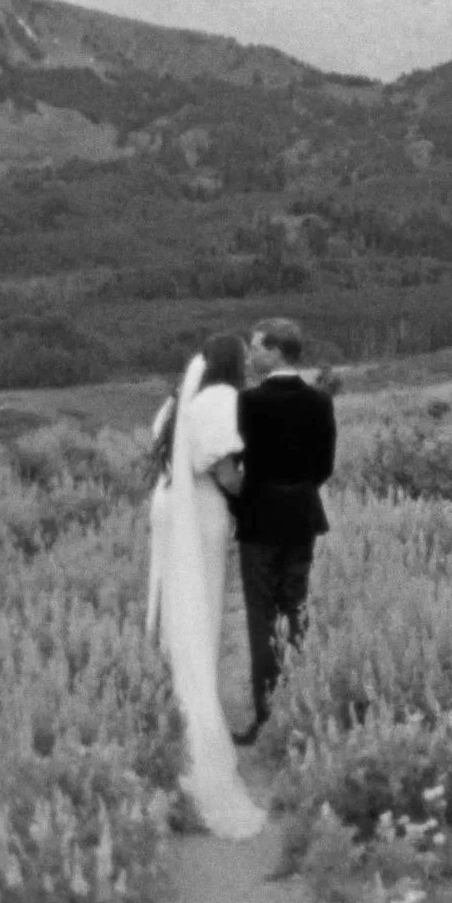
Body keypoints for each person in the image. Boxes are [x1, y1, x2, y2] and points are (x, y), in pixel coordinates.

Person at [145, 334, 267, 839]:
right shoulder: (220, 399)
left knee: (175, 601)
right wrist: (256, 498)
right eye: (245, 358)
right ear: (231, 364)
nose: (249, 365)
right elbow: (225, 471)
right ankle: (197, 713)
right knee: (203, 606)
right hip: (199, 509)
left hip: (169, 502)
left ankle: (171, 696)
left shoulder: (176, 402)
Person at [230, 318, 337, 746]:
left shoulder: (247, 402)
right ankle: (298, 708)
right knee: (295, 608)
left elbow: (236, 460)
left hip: (259, 517)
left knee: (261, 615)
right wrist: (298, 490)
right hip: (301, 517)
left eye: (257, 346)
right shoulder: (319, 401)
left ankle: (266, 715)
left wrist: (251, 496)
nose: (251, 353)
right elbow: (324, 466)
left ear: (275, 352)